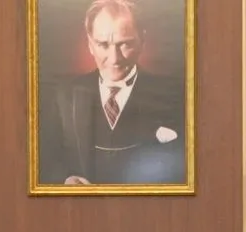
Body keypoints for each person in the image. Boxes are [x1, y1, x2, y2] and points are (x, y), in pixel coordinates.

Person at [38, 0, 187, 185]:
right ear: (90, 44)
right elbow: (46, 159)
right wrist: (65, 180)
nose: (114, 59)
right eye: (103, 44)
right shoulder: (64, 96)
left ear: (142, 41)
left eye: (125, 44)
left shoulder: (174, 96)